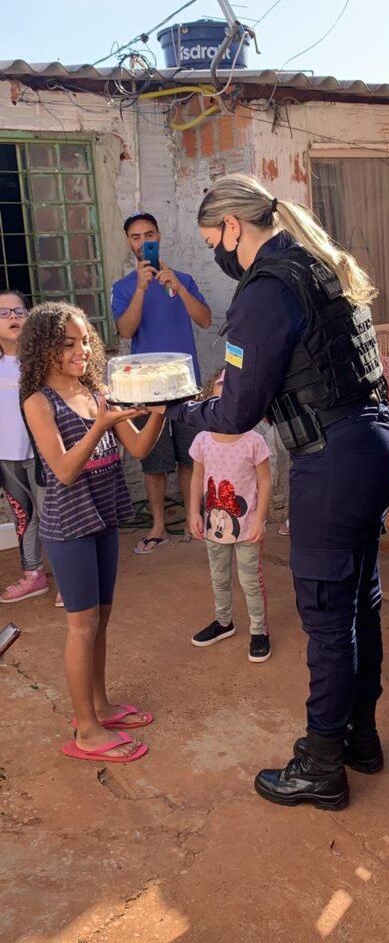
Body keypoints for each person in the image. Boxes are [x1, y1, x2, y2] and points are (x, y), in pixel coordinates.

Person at [163, 173, 389, 811]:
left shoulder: (267, 288)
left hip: (334, 461)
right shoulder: (320, 264)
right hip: (376, 445)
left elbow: (238, 410)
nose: (215, 253)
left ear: (232, 227)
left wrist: (180, 412)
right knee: (360, 603)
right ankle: (359, 739)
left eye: (211, 240)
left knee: (327, 618)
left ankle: (322, 765)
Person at [21, 301, 165, 764]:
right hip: (69, 523)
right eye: (68, 344)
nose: (80, 351)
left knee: (101, 617)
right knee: (81, 626)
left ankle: (100, 707)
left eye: (85, 341)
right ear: (44, 349)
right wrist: (100, 424)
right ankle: (86, 730)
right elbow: (63, 471)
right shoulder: (39, 402)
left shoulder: (96, 390)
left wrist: (159, 410)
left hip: (103, 515)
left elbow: (138, 447)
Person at [111, 211, 212, 555]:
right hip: (145, 389)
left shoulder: (182, 279)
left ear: (159, 237)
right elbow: (126, 330)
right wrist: (142, 289)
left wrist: (179, 288)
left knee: (190, 456)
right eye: (136, 237)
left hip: (185, 385)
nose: (143, 242)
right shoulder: (124, 287)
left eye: (149, 235)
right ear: (129, 243)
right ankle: (158, 525)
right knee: (153, 460)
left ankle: (192, 519)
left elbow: (205, 319)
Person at [189, 368, 272, 662]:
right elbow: (197, 477)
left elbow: (265, 481)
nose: (225, 391)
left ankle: (259, 631)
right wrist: (193, 512)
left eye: (233, 387)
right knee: (219, 577)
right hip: (214, 526)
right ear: (209, 396)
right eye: (221, 385)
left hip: (248, 528)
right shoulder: (202, 440)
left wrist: (260, 519)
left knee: (250, 581)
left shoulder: (254, 441)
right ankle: (223, 622)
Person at [0, 291, 61, 606]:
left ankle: (68, 577)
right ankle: (33, 574)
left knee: (54, 515)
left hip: (44, 456)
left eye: (19, 311)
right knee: (23, 516)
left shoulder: (43, 362)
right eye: (3, 313)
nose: (12, 317)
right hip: (7, 458)